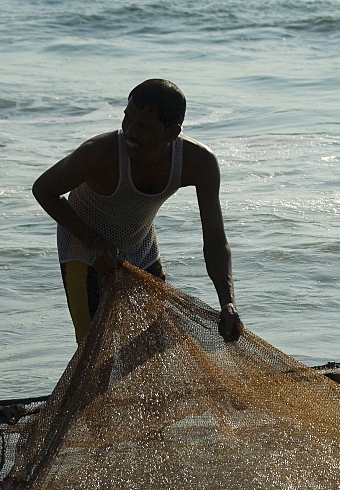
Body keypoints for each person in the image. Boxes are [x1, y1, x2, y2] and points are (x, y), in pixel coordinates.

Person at [33, 79, 242, 343]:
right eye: (127, 119)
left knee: (154, 342)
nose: (130, 132)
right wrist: (94, 241)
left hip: (140, 249)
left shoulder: (199, 163)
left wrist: (227, 302)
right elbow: (43, 190)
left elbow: (214, 238)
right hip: (83, 250)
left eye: (143, 126)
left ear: (172, 132)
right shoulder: (98, 153)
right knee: (94, 348)